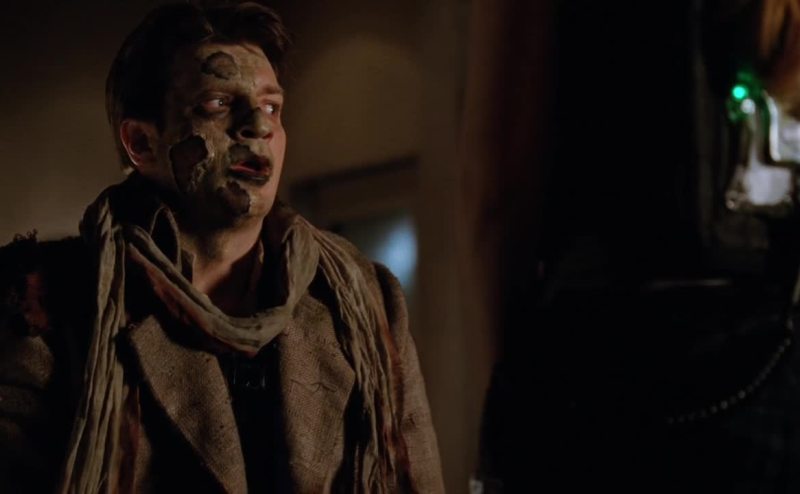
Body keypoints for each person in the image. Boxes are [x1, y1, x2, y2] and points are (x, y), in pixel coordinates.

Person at [0, 2, 444, 493]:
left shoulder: (364, 299)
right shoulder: (44, 303)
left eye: (272, 107)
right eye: (217, 104)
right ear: (141, 143)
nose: (259, 126)